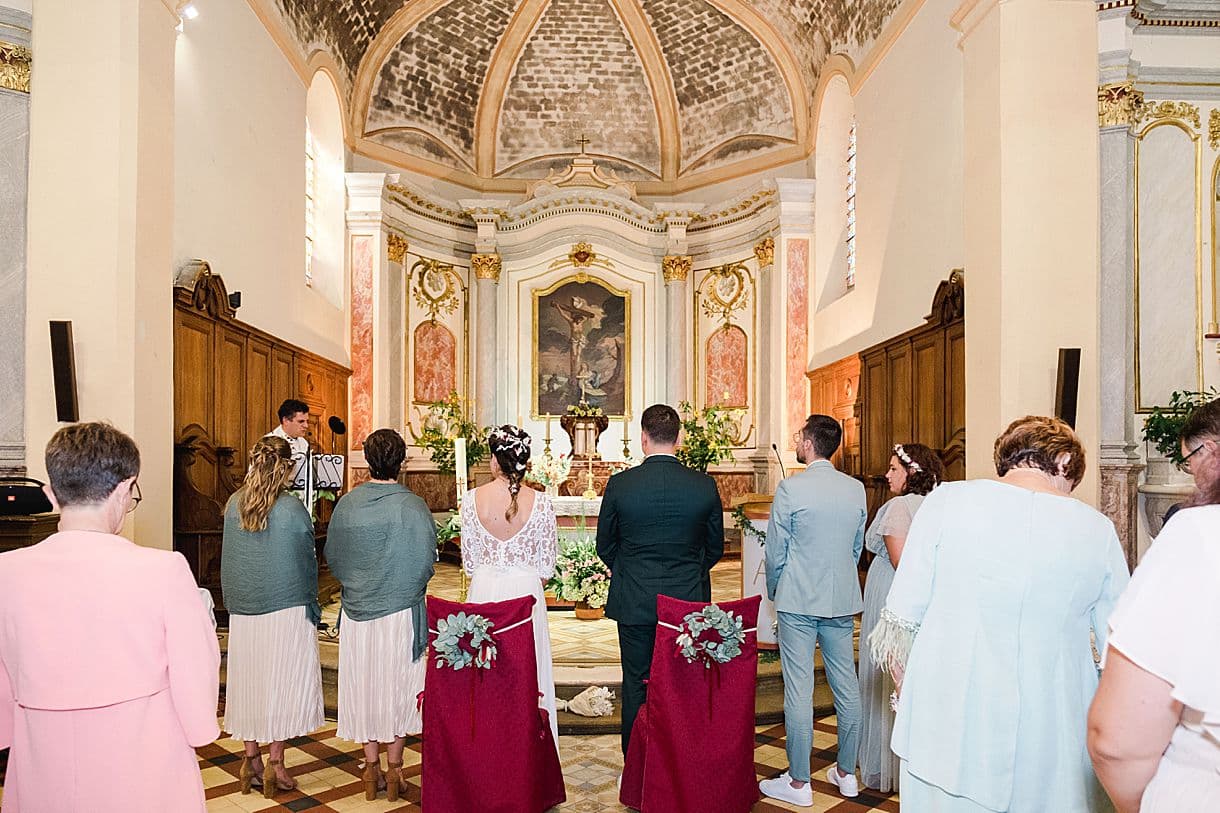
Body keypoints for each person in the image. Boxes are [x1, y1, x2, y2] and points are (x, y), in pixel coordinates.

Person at [870, 415, 1129, 812]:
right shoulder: (1096, 528)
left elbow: (901, 623)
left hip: (949, 715)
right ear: (1062, 461)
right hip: (1055, 722)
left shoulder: (948, 501)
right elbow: (1122, 650)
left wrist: (910, 700)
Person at [0, 422, 220, 812]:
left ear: (51, 495)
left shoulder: (7, 571)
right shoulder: (163, 569)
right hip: (142, 759)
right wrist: (199, 726)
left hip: (42, 757)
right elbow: (194, 666)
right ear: (124, 488)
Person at [1089, 397, 1220, 811]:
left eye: (1190, 459)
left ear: (1212, 449)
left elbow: (1117, 742)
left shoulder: (1198, 533)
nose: (1192, 474)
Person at [596, 403, 724, 756]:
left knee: (636, 683)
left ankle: (637, 764)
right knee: (685, 684)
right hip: (687, 603)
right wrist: (689, 574)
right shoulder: (703, 485)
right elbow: (715, 548)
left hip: (635, 601)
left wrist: (630, 571)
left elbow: (604, 545)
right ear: (679, 438)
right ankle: (682, 760)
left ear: (643, 439)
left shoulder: (621, 485)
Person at [759, 414, 867, 806]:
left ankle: (799, 783)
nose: (798, 442)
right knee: (847, 687)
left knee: (799, 688)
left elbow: (775, 552)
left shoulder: (791, 489)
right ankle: (846, 773)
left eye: (800, 436)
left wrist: (776, 589)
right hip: (840, 600)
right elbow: (856, 547)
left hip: (799, 600)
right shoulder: (856, 490)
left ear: (808, 442)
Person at [325, 428, 435, 802]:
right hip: (400, 612)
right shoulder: (413, 506)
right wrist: (402, 587)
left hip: (357, 614)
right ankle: (394, 769)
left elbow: (334, 558)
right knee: (399, 687)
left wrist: (359, 584)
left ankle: (369, 769)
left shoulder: (348, 504)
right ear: (401, 462)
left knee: (366, 685)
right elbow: (425, 563)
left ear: (368, 460)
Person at [221, 435, 324, 798]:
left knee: (249, 681)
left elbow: (229, 560)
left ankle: (250, 759)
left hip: (245, 609)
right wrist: (313, 601)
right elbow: (306, 560)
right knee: (280, 682)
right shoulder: (293, 510)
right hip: (286, 607)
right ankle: (276, 763)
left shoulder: (234, 504)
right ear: (286, 468)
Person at [461, 424, 560, 751]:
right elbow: (547, 567)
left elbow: (471, 563)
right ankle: (530, 754)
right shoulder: (542, 503)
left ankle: (487, 750)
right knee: (527, 674)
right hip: (526, 595)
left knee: (487, 675)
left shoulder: (471, 499)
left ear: (494, 460)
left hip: (485, 589)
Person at [857, 442, 944, 794]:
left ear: (911, 473)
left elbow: (901, 561)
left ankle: (883, 762)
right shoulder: (935, 504)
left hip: (890, 592)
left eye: (894, 468)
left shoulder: (898, 506)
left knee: (883, 672)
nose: (888, 473)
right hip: (923, 596)